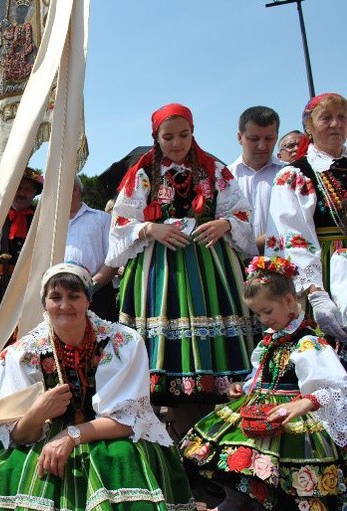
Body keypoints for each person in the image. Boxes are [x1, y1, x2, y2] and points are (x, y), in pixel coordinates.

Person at [0, 262, 194, 511]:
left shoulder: (123, 343)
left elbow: (127, 420)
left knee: (121, 458)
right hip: (42, 432)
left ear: (88, 300)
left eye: (74, 296)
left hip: (108, 431)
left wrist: (70, 436)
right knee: (12, 466)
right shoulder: (22, 354)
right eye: (55, 297)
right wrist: (37, 414)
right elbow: (17, 435)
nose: (65, 305)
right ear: (44, 304)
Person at [107, 104, 257, 425]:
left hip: (210, 264)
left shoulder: (214, 169)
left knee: (213, 336)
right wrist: (150, 228)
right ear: (156, 137)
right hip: (159, 267)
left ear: (193, 133)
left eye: (184, 135)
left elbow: (241, 211)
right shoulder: (143, 173)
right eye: (168, 137)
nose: (177, 143)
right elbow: (121, 222)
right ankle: (171, 422)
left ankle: (217, 418)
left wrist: (225, 224)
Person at [181, 256, 347, 510]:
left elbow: (335, 386)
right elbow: (263, 374)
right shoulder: (270, 340)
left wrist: (302, 404)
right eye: (258, 314)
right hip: (259, 413)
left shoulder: (307, 342)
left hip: (290, 422)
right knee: (241, 471)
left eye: (267, 311)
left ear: (290, 301)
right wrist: (245, 387)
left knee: (287, 486)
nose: (263, 319)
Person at [266, 93, 347, 350]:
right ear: (309, 128)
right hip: (322, 267)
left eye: (342, 117)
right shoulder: (295, 175)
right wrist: (316, 292)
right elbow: (293, 235)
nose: (335, 124)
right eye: (326, 118)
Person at [0, 167, 43, 322]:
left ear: (34, 193)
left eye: (27, 189)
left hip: (34, 285)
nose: (21, 193)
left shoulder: (41, 217)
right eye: (18, 188)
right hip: (4, 285)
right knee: (3, 330)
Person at [228, 106, 285, 253]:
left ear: (277, 136)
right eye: (254, 139)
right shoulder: (225, 178)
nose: (262, 146)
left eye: (269, 138)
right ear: (239, 137)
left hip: (281, 263)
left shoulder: (290, 175)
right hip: (235, 264)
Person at [65, 175, 117, 321]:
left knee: (101, 342)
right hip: (60, 297)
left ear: (74, 190)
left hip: (98, 294)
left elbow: (113, 259)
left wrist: (90, 286)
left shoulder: (102, 219)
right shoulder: (49, 223)